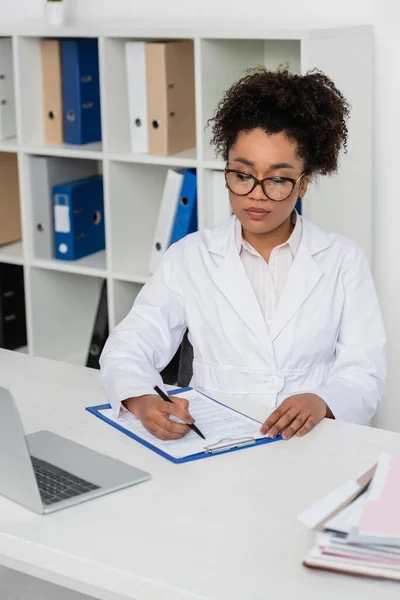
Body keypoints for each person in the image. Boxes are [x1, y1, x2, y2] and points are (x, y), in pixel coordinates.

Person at [100, 68, 386, 442]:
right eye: (242, 174)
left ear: (303, 184)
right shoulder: (189, 257)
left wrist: (322, 401)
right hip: (211, 444)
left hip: (313, 444)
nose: (256, 194)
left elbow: (365, 371)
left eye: (278, 180)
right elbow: (129, 346)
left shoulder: (343, 260)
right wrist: (142, 401)